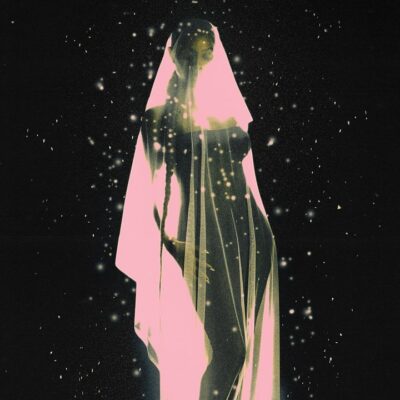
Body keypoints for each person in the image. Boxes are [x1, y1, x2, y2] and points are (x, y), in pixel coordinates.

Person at [115, 18, 280, 400]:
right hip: (200, 239)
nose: (197, 61)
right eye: (190, 52)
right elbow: (151, 194)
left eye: (206, 53)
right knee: (230, 351)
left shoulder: (225, 108)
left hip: (250, 235)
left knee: (244, 349)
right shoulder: (158, 119)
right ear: (173, 55)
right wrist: (174, 245)